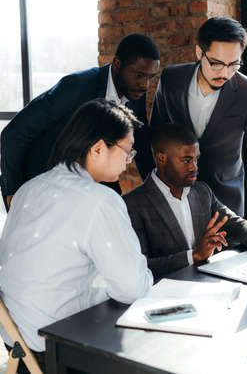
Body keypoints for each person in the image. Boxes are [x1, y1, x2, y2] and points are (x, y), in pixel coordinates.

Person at [0, 99, 153, 372]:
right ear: (97, 148)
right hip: (56, 350)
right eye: (127, 152)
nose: (128, 163)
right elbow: (133, 289)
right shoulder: (99, 200)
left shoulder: (29, 188)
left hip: (17, 339)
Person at [1, 33, 160, 209]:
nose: (145, 84)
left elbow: (142, 146)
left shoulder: (135, 92)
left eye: (150, 77)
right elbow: (14, 134)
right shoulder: (76, 87)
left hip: (93, 186)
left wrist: (158, 192)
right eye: (139, 75)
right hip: (45, 184)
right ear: (117, 64)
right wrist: (12, 191)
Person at [150, 17, 247, 216]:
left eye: (233, 65)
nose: (225, 73)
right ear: (199, 52)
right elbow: (155, 136)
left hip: (225, 205)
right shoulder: (171, 80)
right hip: (173, 200)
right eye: (216, 63)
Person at [123, 124, 247, 278]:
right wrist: (194, 256)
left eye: (196, 159)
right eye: (186, 161)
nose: (194, 168)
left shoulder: (202, 191)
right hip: (165, 296)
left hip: (207, 286)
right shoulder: (132, 204)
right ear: (161, 158)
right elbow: (140, 267)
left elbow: (234, 223)